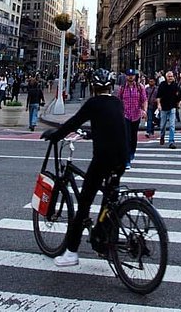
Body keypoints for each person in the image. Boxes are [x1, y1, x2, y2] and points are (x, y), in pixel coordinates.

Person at [51, 69, 129, 268]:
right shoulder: (117, 103)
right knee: (109, 201)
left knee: (84, 204)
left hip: (103, 159)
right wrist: (92, 133)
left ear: (93, 88)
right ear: (110, 87)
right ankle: (103, 243)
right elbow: (111, 126)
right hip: (122, 159)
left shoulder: (93, 103)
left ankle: (71, 252)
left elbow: (73, 122)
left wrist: (56, 135)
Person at [156, 70, 181, 149]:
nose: (170, 78)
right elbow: (158, 96)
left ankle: (171, 141)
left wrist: (179, 103)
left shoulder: (175, 85)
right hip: (164, 107)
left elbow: (178, 96)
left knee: (172, 125)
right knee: (162, 125)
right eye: (169, 76)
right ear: (166, 77)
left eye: (171, 76)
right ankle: (162, 136)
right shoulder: (162, 85)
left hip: (172, 107)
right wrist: (159, 104)